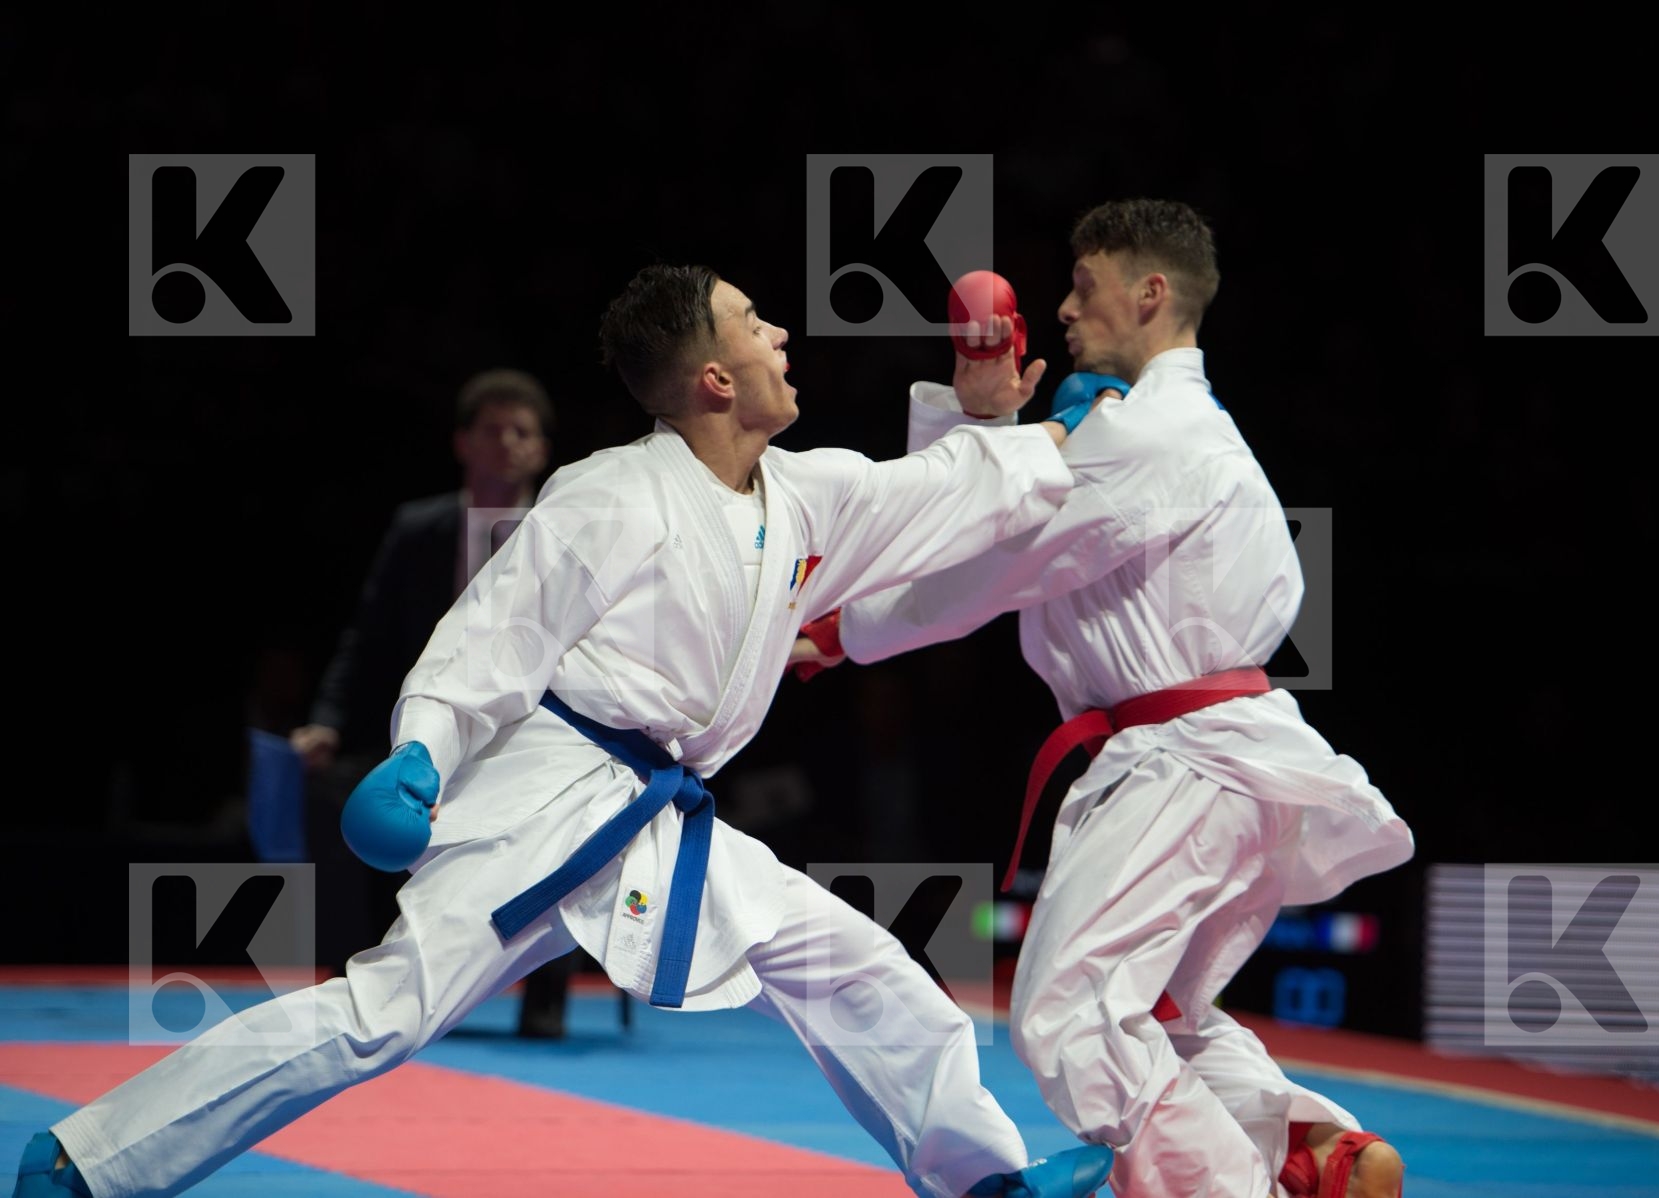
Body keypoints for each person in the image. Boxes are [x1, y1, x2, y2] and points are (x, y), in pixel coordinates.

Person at [13, 264, 1113, 1198]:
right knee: (379, 1016)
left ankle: (985, 1180)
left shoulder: (806, 492)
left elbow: (942, 496)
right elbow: (492, 632)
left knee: (857, 964)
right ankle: (86, 1158)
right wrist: (422, 751)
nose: (784, 334)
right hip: (547, 790)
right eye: (754, 323)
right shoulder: (610, 493)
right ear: (715, 377)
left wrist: (1024, 426)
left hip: (658, 811)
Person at [804, 200, 1415, 1198]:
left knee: (1072, 1006)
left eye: (1083, 288)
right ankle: (1311, 1157)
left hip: (1186, 761)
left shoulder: (1151, 437)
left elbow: (983, 561)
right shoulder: (1179, 432)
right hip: (1216, 756)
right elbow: (996, 531)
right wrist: (984, 418)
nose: (1062, 307)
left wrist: (841, 628)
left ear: (1151, 293)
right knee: (1157, 1008)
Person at [286, 367, 580, 1036]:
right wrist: (327, 723)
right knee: (335, 789)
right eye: (492, 429)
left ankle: (545, 996)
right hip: (427, 723)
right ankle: (361, 975)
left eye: (522, 431)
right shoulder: (419, 530)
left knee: (570, 813)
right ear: (462, 443)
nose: (507, 442)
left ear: (542, 448)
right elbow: (366, 638)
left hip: (538, 726)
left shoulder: (568, 533)